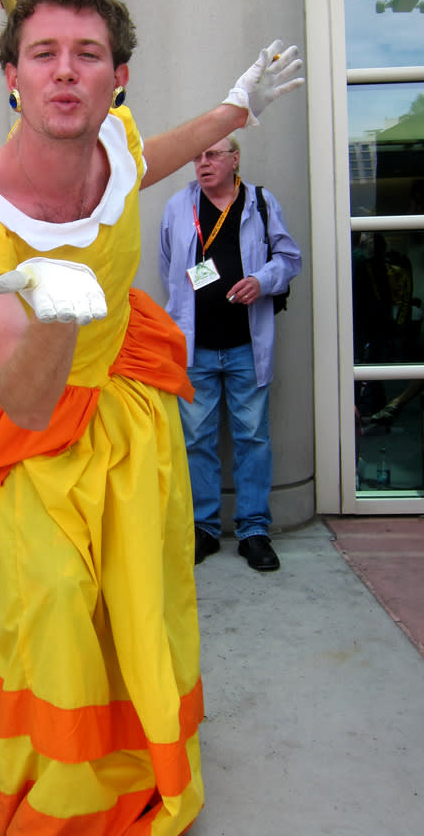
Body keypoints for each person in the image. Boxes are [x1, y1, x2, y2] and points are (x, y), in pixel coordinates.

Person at [0, 0, 303, 836]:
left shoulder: (118, 145)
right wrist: (57, 311)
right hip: (33, 428)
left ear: (117, 77)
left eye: (88, 54)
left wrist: (233, 113)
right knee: (53, 603)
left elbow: (157, 153)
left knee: (140, 598)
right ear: (9, 78)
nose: (66, 71)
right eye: (43, 53)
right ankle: (59, 792)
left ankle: (145, 757)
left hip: (125, 413)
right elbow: (22, 400)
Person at [159, 134, 301, 572]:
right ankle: (203, 528)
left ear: (234, 159)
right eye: (197, 156)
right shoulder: (177, 207)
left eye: (213, 155)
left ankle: (254, 530)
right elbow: (169, 269)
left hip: (246, 345)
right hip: (197, 349)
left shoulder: (259, 202)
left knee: (252, 439)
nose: (202, 163)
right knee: (197, 440)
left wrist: (263, 280)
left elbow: (290, 257)